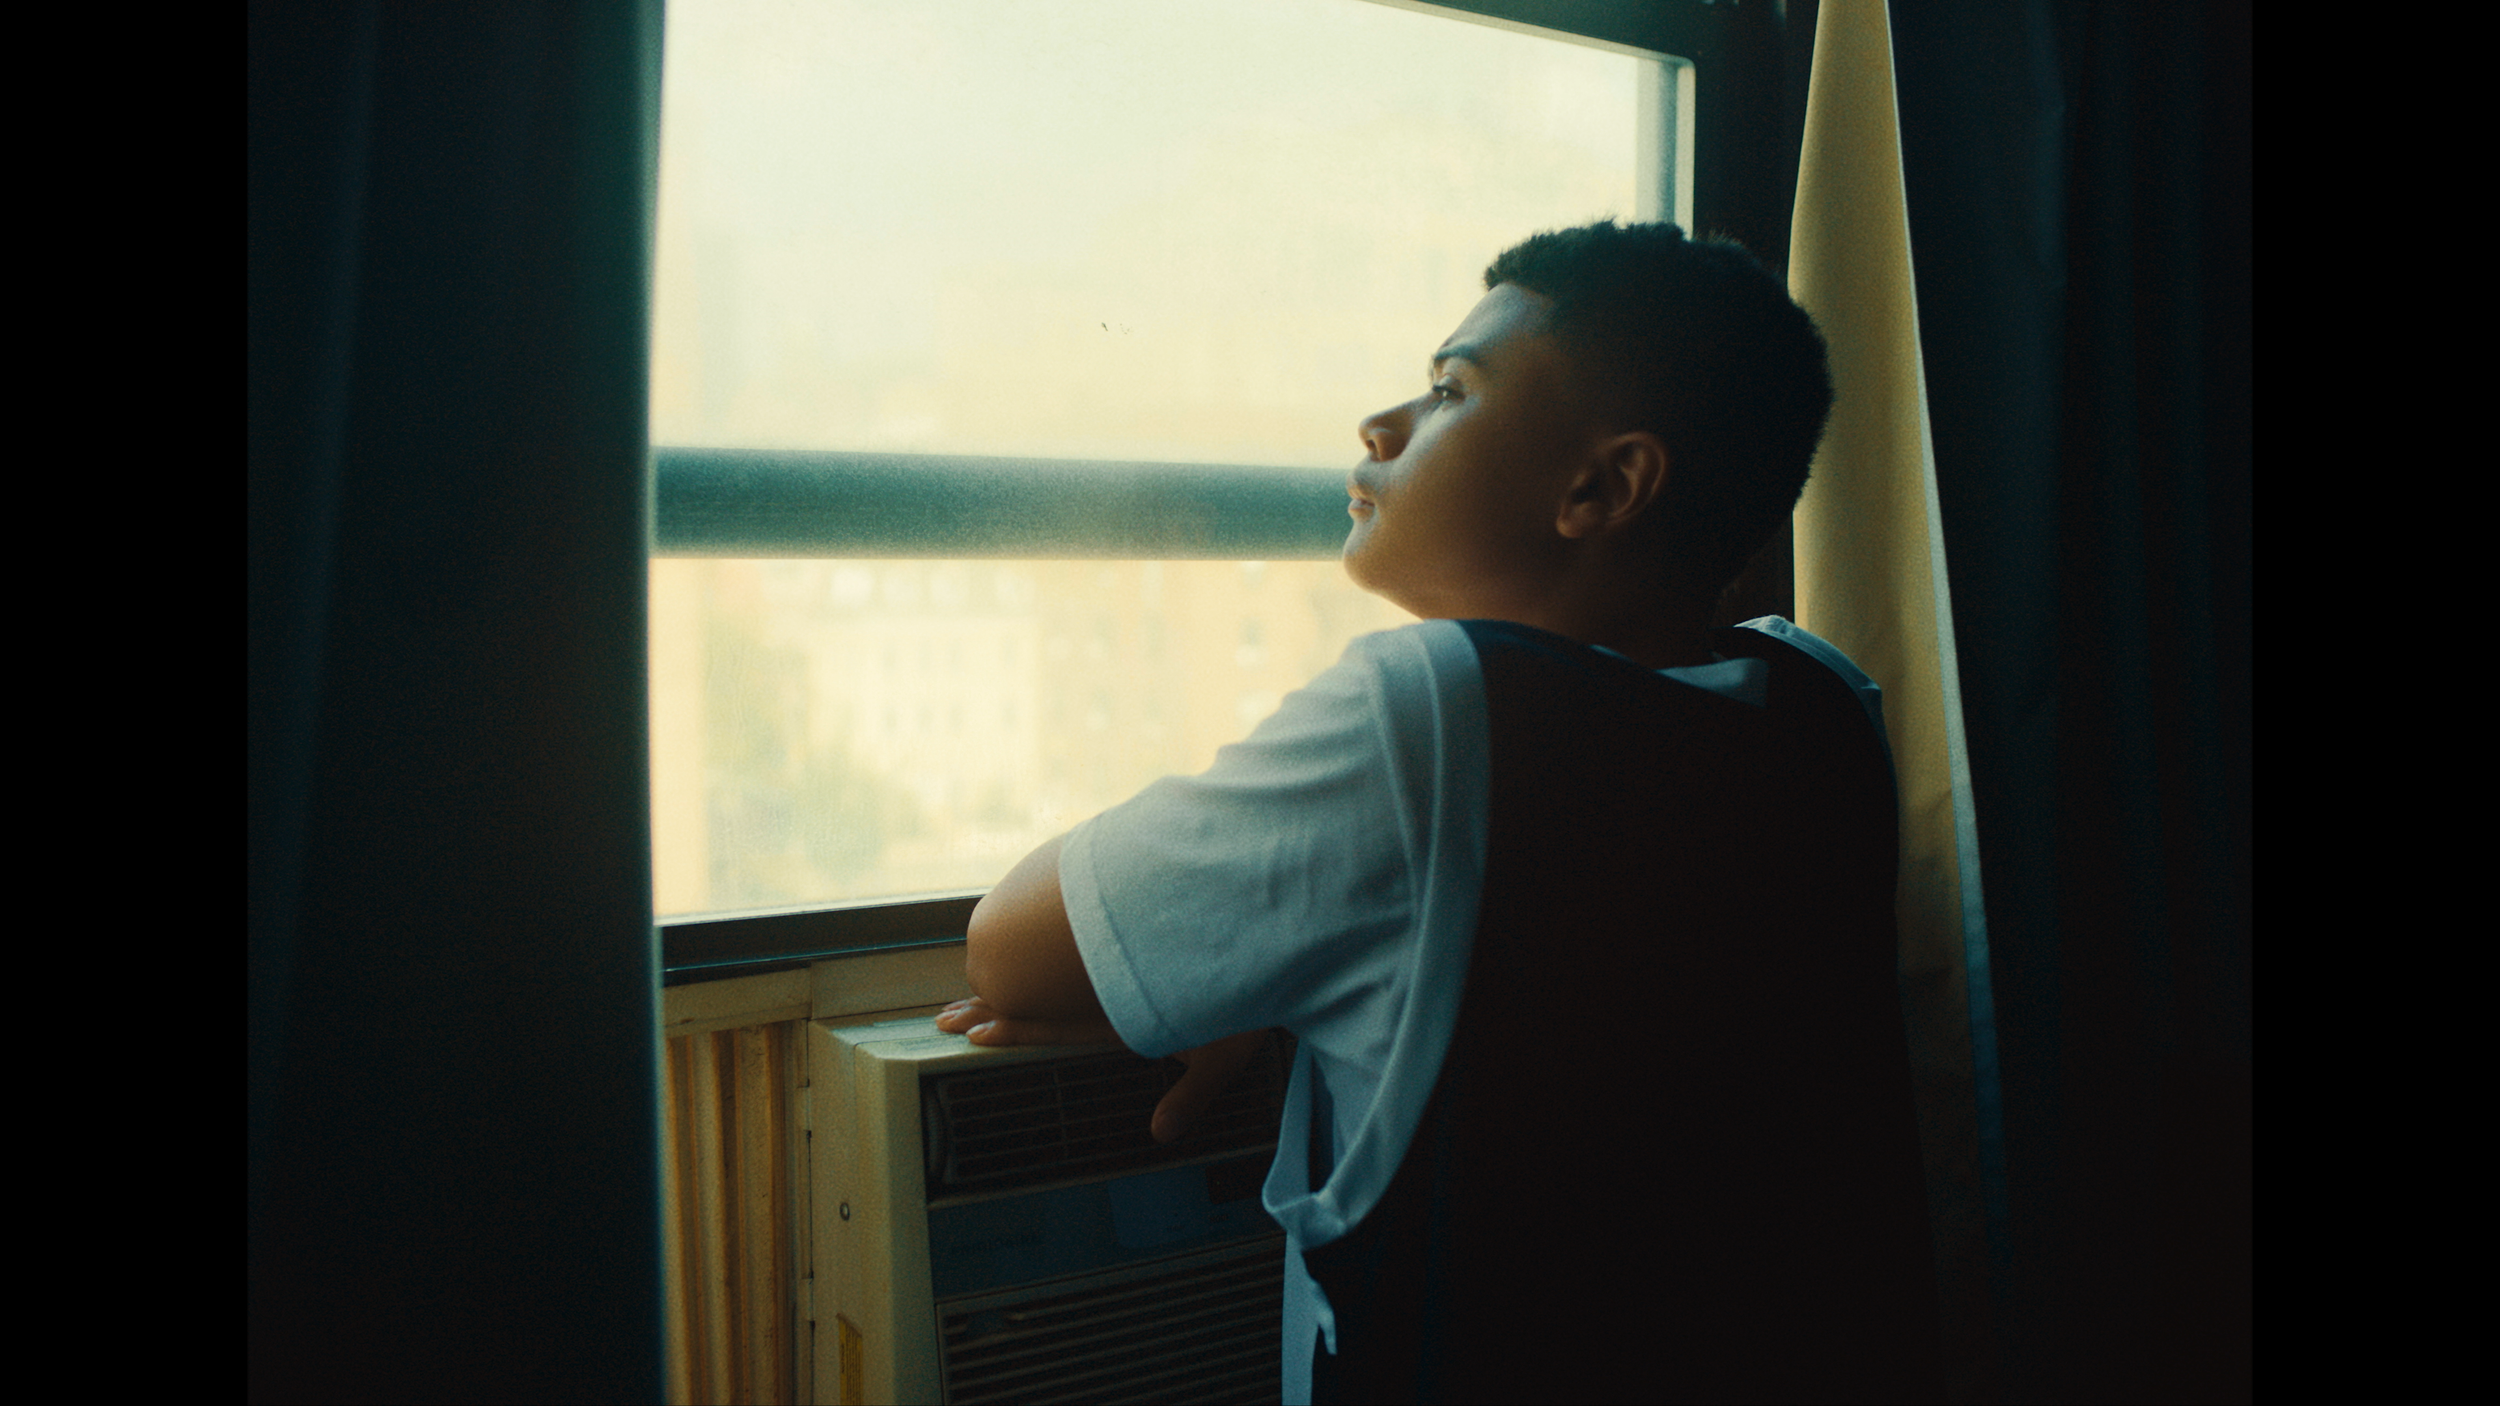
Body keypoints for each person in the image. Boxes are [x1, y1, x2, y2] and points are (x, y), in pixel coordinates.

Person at [937, 221, 1941, 1404]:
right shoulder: (1825, 705)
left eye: (1448, 390)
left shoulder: (1428, 707)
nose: (1382, 427)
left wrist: (1253, 961)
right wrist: (1292, 972)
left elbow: (1011, 950)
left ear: (1602, 486)